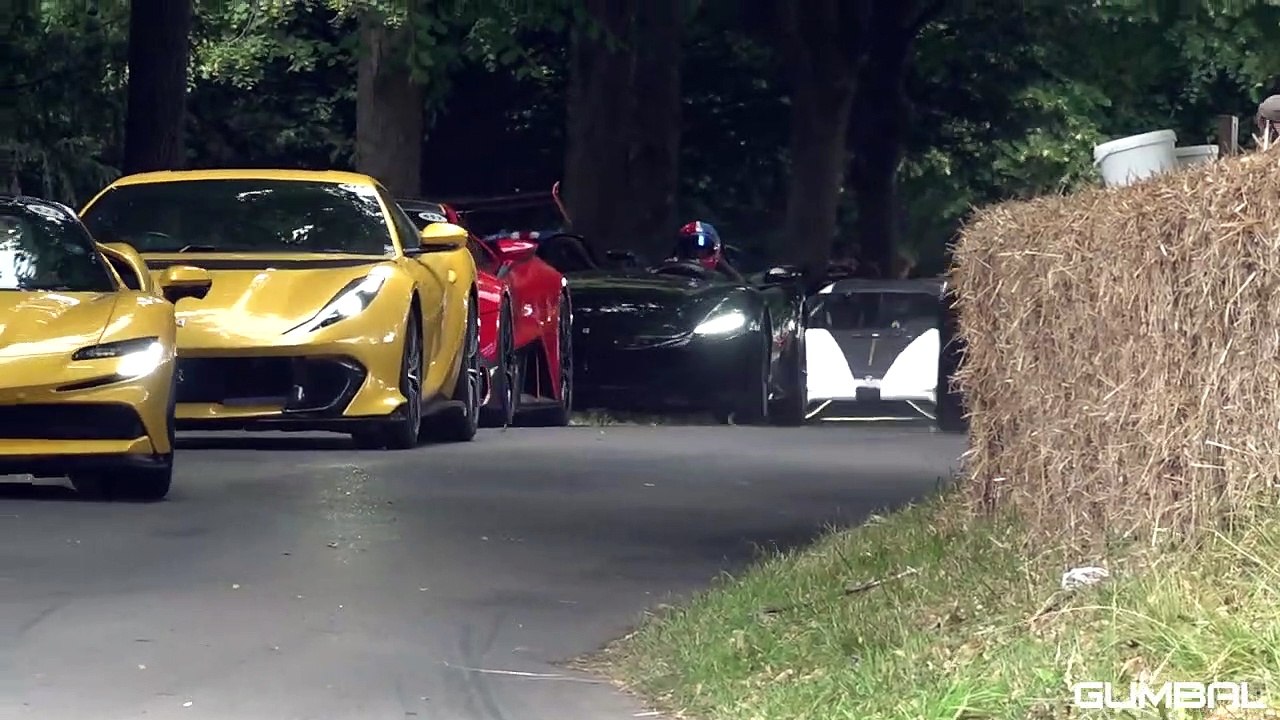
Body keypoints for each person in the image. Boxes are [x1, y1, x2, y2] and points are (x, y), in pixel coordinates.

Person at [666, 220, 743, 280]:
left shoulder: (726, 273)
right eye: (690, 250)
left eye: (702, 251)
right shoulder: (667, 269)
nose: (696, 255)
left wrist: (729, 272)